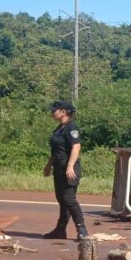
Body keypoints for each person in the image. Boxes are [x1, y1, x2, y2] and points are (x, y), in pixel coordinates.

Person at [43, 101, 89, 240]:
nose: (52, 113)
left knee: (69, 199)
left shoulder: (71, 127)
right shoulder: (59, 129)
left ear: (63, 112)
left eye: (54, 110)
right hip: (59, 169)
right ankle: (60, 230)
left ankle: (82, 231)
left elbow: (76, 147)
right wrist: (49, 165)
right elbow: (57, 151)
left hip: (70, 169)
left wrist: (70, 166)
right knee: (62, 200)